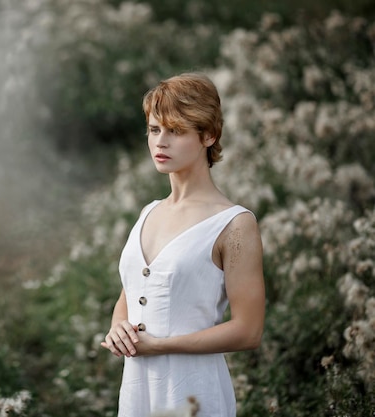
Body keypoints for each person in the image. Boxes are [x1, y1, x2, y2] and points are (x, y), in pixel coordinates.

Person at [100, 72, 265, 417]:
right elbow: (129, 297)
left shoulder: (234, 224)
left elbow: (248, 331)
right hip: (136, 392)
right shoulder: (148, 212)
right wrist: (118, 328)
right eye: (154, 129)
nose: (161, 142)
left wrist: (160, 346)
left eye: (175, 131)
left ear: (209, 135)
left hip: (194, 394)